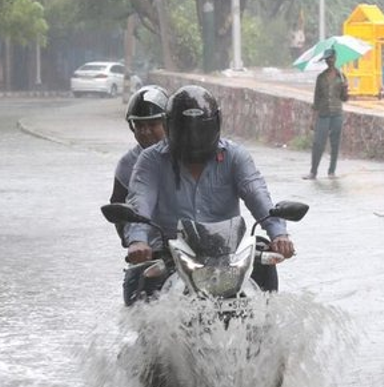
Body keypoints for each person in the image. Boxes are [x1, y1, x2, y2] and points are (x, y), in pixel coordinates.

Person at [124, 85, 296, 300]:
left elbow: (258, 194)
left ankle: (265, 328)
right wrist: (138, 241)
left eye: (200, 130)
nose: (193, 138)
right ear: (170, 127)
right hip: (171, 252)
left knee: (265, 269)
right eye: (186, 131)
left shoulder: (235, 156)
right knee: (136, 284)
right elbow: (140, 201)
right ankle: (148, 334)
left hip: (228, 253)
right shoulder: (151, 160)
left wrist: (279, 234)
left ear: (215, 126)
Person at [112, 85, 169, 305]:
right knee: (135, 292)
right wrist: (134, 243)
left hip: (195, 245)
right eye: (139, 125)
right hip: (153, 251)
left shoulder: (187, 155)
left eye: (153, 125)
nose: (145, 131)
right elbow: (118, 207)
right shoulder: (127, 165)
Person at [305, 47, 348, 180]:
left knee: (335, 143)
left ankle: (331, 171)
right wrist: (313, 119)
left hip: (337, 113)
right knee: (318, 143)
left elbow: (344, 98)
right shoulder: (321, 78)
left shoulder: (341, 77)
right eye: (326, 59)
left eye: (330, 58)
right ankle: (313, 171)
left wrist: (346, 89)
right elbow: (316, 100)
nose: (329, 61)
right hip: (323, 114)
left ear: (335, 58)